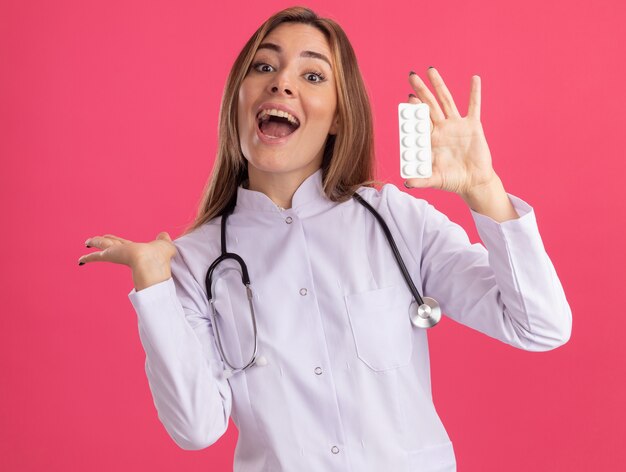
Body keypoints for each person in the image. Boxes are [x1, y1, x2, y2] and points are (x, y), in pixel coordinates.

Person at [78, 6, 572, 471]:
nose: (282, 83)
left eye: (312, 75)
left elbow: (540, 326)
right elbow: (196, 428)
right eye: (263, 67)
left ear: (338, 115)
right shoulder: (197, 260)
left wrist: (484, 190)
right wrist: (153, 284)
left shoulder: (395, 220)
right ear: (239, 100)